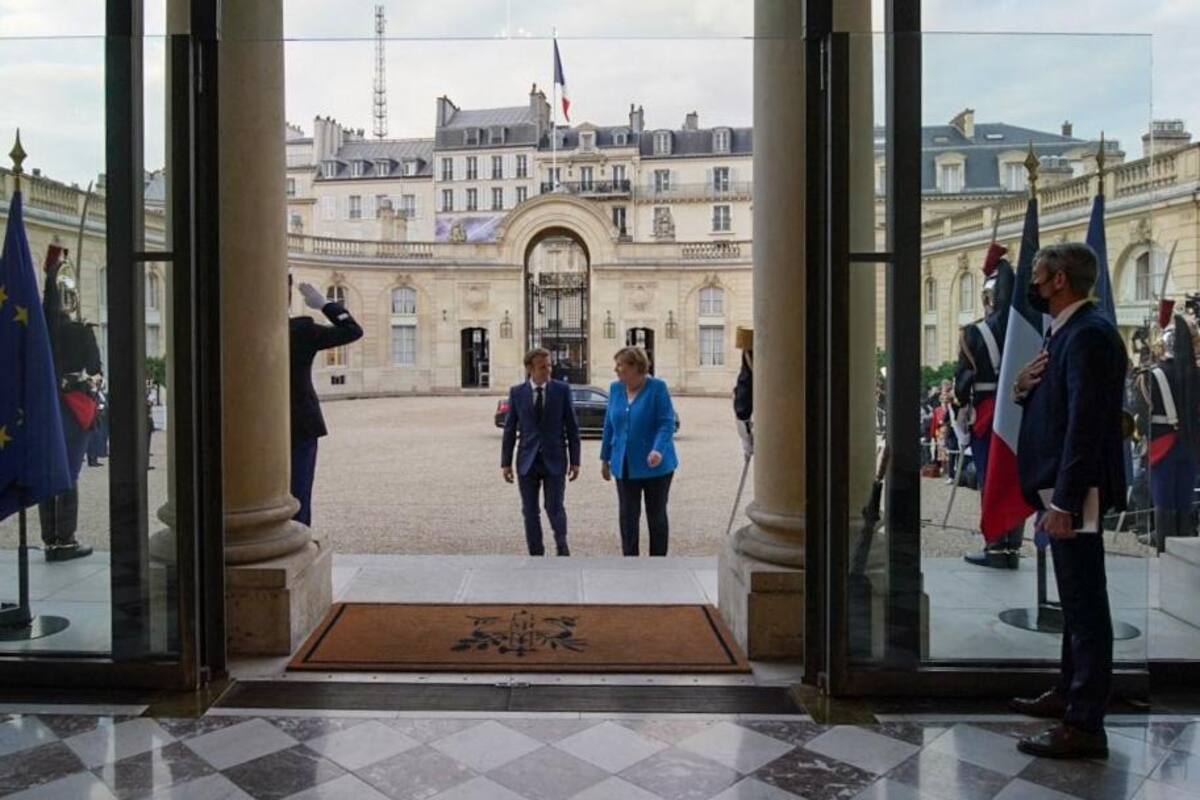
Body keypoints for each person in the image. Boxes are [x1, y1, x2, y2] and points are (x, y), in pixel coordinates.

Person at [1009, 242, 1127, 759]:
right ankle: (1067, 692)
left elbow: (1085, 424)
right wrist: (1021, 388)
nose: (1031, 284)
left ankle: (1084, 723)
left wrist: (1065, 501)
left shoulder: (1088, 335)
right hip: (1061, 487)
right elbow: (1059, 404)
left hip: (1075, 491)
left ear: (1059, 280)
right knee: (1074, 600)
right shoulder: (1069, 332)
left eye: (1037, 275)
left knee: (1084, 604)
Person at [956, 243, 1024, 568]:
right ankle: (1013, 547)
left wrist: (963, 400)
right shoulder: (1024, 329)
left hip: (986, 413)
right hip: (1018, 411)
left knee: (990, 479)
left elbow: (962, 383)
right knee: (1014, 479)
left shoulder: (974, 333)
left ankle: (995, 546)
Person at [38, 245, 101, 562]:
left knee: (47, 471)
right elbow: (95, 368)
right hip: (74, 407)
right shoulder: (80, 331)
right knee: (68, 474)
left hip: (43, 407)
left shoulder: (38, 332)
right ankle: (66, 539)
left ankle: (49, 537)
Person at [289, 275, 363, 527]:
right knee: (299, 491)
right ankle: (299, 537)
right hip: (300, 421)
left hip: (254, 424)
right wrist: (325, 304)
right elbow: (352, 330)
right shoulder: (300, 331)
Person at [500, 347, 581, 556]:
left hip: (555, 459)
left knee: (554, 507)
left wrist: (575, 461)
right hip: (527, 460)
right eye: (542, 367)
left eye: (549, 366)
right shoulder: (517, 393)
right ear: (530, 369)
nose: (548, 371)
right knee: (529, 511)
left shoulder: (562, 390)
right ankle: (536, 553)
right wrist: (506, 463)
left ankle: (562, 546)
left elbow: (572, 427)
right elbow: (510, 429)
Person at [600, 346, 679, 556]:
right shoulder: (615, 389)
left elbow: (666, 423)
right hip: (624, 464)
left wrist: (658, 450)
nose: (616, 369)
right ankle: (630, 561)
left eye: (621, 365)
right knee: (627, 517)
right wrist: (605, 459)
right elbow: (609, 425)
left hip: (656, 466)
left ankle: (657, 562)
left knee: (656, 517)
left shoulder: (657, 387)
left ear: (636, 366)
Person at [1134, 313, 1200, 547]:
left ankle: (1164, 549)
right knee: (1184, 503)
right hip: (1191, 446)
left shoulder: (1149, 376)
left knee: (1164, 504)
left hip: (1162, 446)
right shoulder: (1196, 375)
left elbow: (1141, 420)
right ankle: (1182, 551)